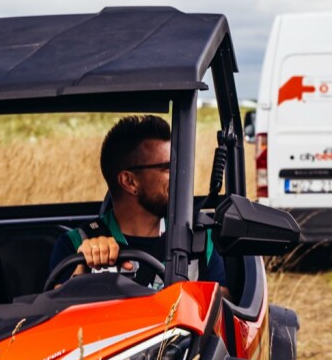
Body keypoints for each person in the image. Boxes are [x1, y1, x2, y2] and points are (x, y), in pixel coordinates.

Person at [49, 114, 227, 289]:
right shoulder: (76, 244)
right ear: (129, 181)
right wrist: (84, 266)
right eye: (167, 168)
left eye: (179, 166)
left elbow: (225, 305)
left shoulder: (199, 238)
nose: (179, 177)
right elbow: (58, 310)